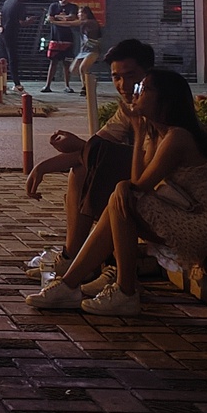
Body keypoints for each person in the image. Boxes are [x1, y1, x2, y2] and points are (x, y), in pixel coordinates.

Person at [30, 68, 207, 317]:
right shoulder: (156, 134)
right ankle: (74, 285)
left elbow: (140, 186)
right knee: (120, 198)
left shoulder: (177, 137)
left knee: (123, 199)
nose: (136, 93)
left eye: (144, 89)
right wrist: (139, 133)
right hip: (186, 214)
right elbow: (137, 180)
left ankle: (119, 290)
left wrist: (124, 185)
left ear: (165, 99)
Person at [23, 38, 151, 269]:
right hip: (139, 183)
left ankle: (77, 262)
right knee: (82, 168)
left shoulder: (159, 109)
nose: (123, 85)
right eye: (116, 77)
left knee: (89, 172)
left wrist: (74, 151)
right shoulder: (129, 109)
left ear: (147, 74)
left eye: (131, 75)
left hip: (163, 192)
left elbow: (107, 154)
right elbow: (97, 148)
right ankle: (74, 258)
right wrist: (43, 166)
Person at [42, 0, 80, 91]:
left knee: (66, 63)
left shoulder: (73, 7)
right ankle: (47, 85)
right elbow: (50, 18)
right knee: (53, 62)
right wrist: (63, 18)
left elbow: (72, 17)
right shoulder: (53, 6)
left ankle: (67, 86)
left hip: (67, 39)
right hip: (55, 38)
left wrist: (57, 17)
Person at [0, 0, 31, 90]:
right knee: (13, 59)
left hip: (2, 33)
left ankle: (1, 83)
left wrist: (0, 26)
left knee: (3, 59)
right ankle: (16, 84)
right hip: (11, 34)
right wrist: (30, 21)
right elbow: (22, 22)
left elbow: (0, 14)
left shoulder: (8, 1)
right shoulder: (20, 5)